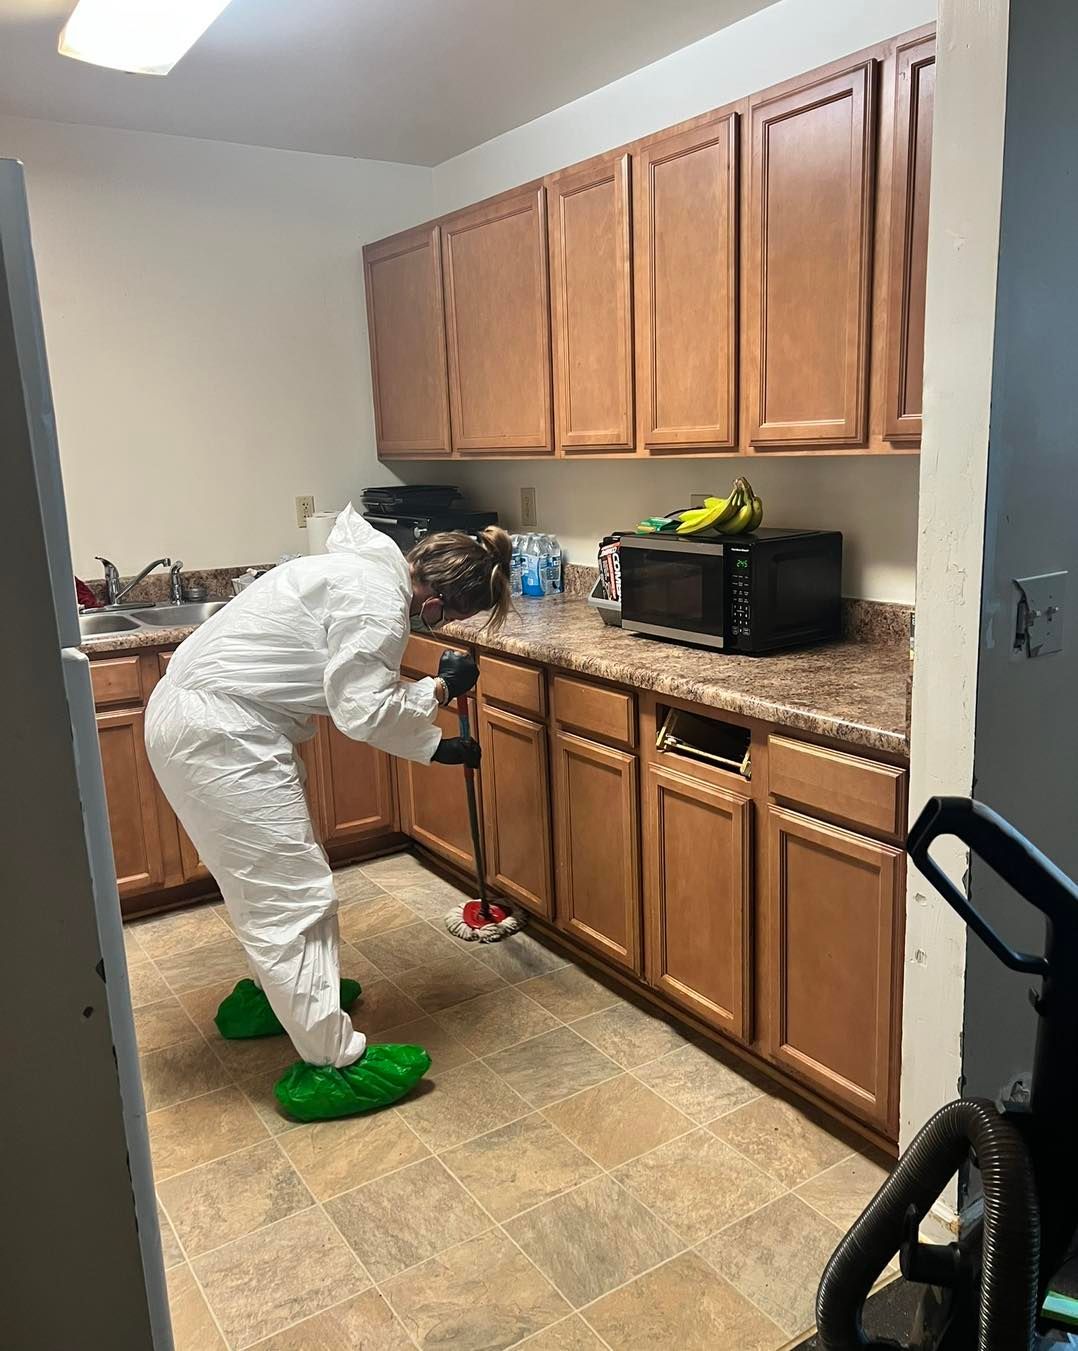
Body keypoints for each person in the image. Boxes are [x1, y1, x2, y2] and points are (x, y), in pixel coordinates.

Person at [144, 505, 512, 1122]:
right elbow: (362, 710)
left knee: (260, 884)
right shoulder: (377, 604)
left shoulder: (363, 570)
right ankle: (332, 1063)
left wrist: (432, 728)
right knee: (292, 894)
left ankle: (276, 997)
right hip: (221, 735)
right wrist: (441, 698)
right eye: (450, 621)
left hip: (202, 722)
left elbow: (348, 691)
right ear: (436, 605)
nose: (437, 630)